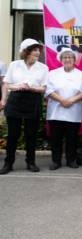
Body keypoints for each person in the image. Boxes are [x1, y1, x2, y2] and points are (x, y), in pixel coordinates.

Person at [0, 39, 48, 174]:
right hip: (15, 100)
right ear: (26, 51)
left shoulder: (43, 68)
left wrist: (32, 88)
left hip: (33, 101)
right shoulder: (15, 65)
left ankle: (31, 162)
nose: (38, 52)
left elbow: (44, 88)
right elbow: (7, 84)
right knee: (13, 135)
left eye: (39, 50)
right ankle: (8, 163)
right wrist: (19, 86)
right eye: (35, 50)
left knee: (31, 135)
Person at [45, 48, 82, 170]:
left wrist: (72, 100)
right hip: (56, 111)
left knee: (72, 138)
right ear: (60, 60)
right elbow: (48, 90)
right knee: (56, 139)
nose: (67, 59)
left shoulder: (81, 74)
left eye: (70, 57)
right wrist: (62, 100)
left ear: (74, 60)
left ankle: (71, 160)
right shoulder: (53, 73)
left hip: (73, 111)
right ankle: (56, 161)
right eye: (65, 57)